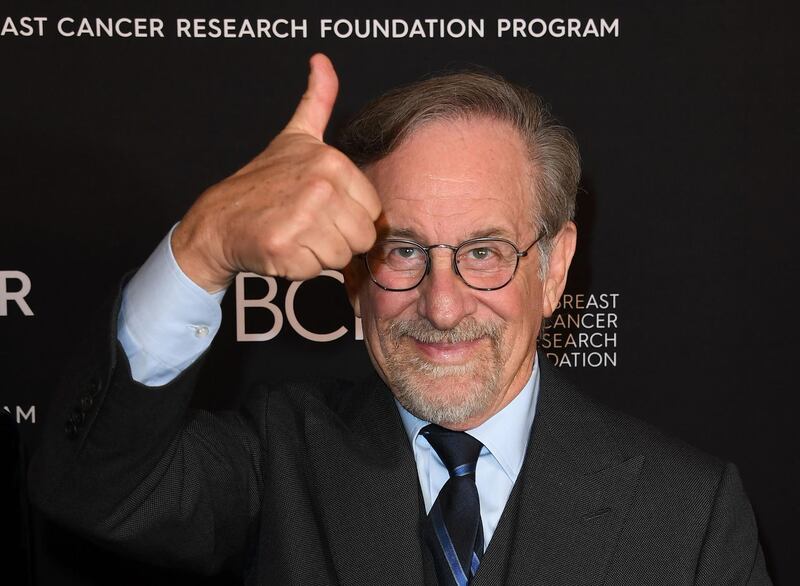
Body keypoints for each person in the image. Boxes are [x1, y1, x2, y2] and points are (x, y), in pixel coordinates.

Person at [29, 54, 771, 585]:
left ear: (554, 268)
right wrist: (202, 247)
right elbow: (96, 491)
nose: (442, 306)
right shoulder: (277, 457)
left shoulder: (691, 515)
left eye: (485, 252)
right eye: (402, 251)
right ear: (352, 276)